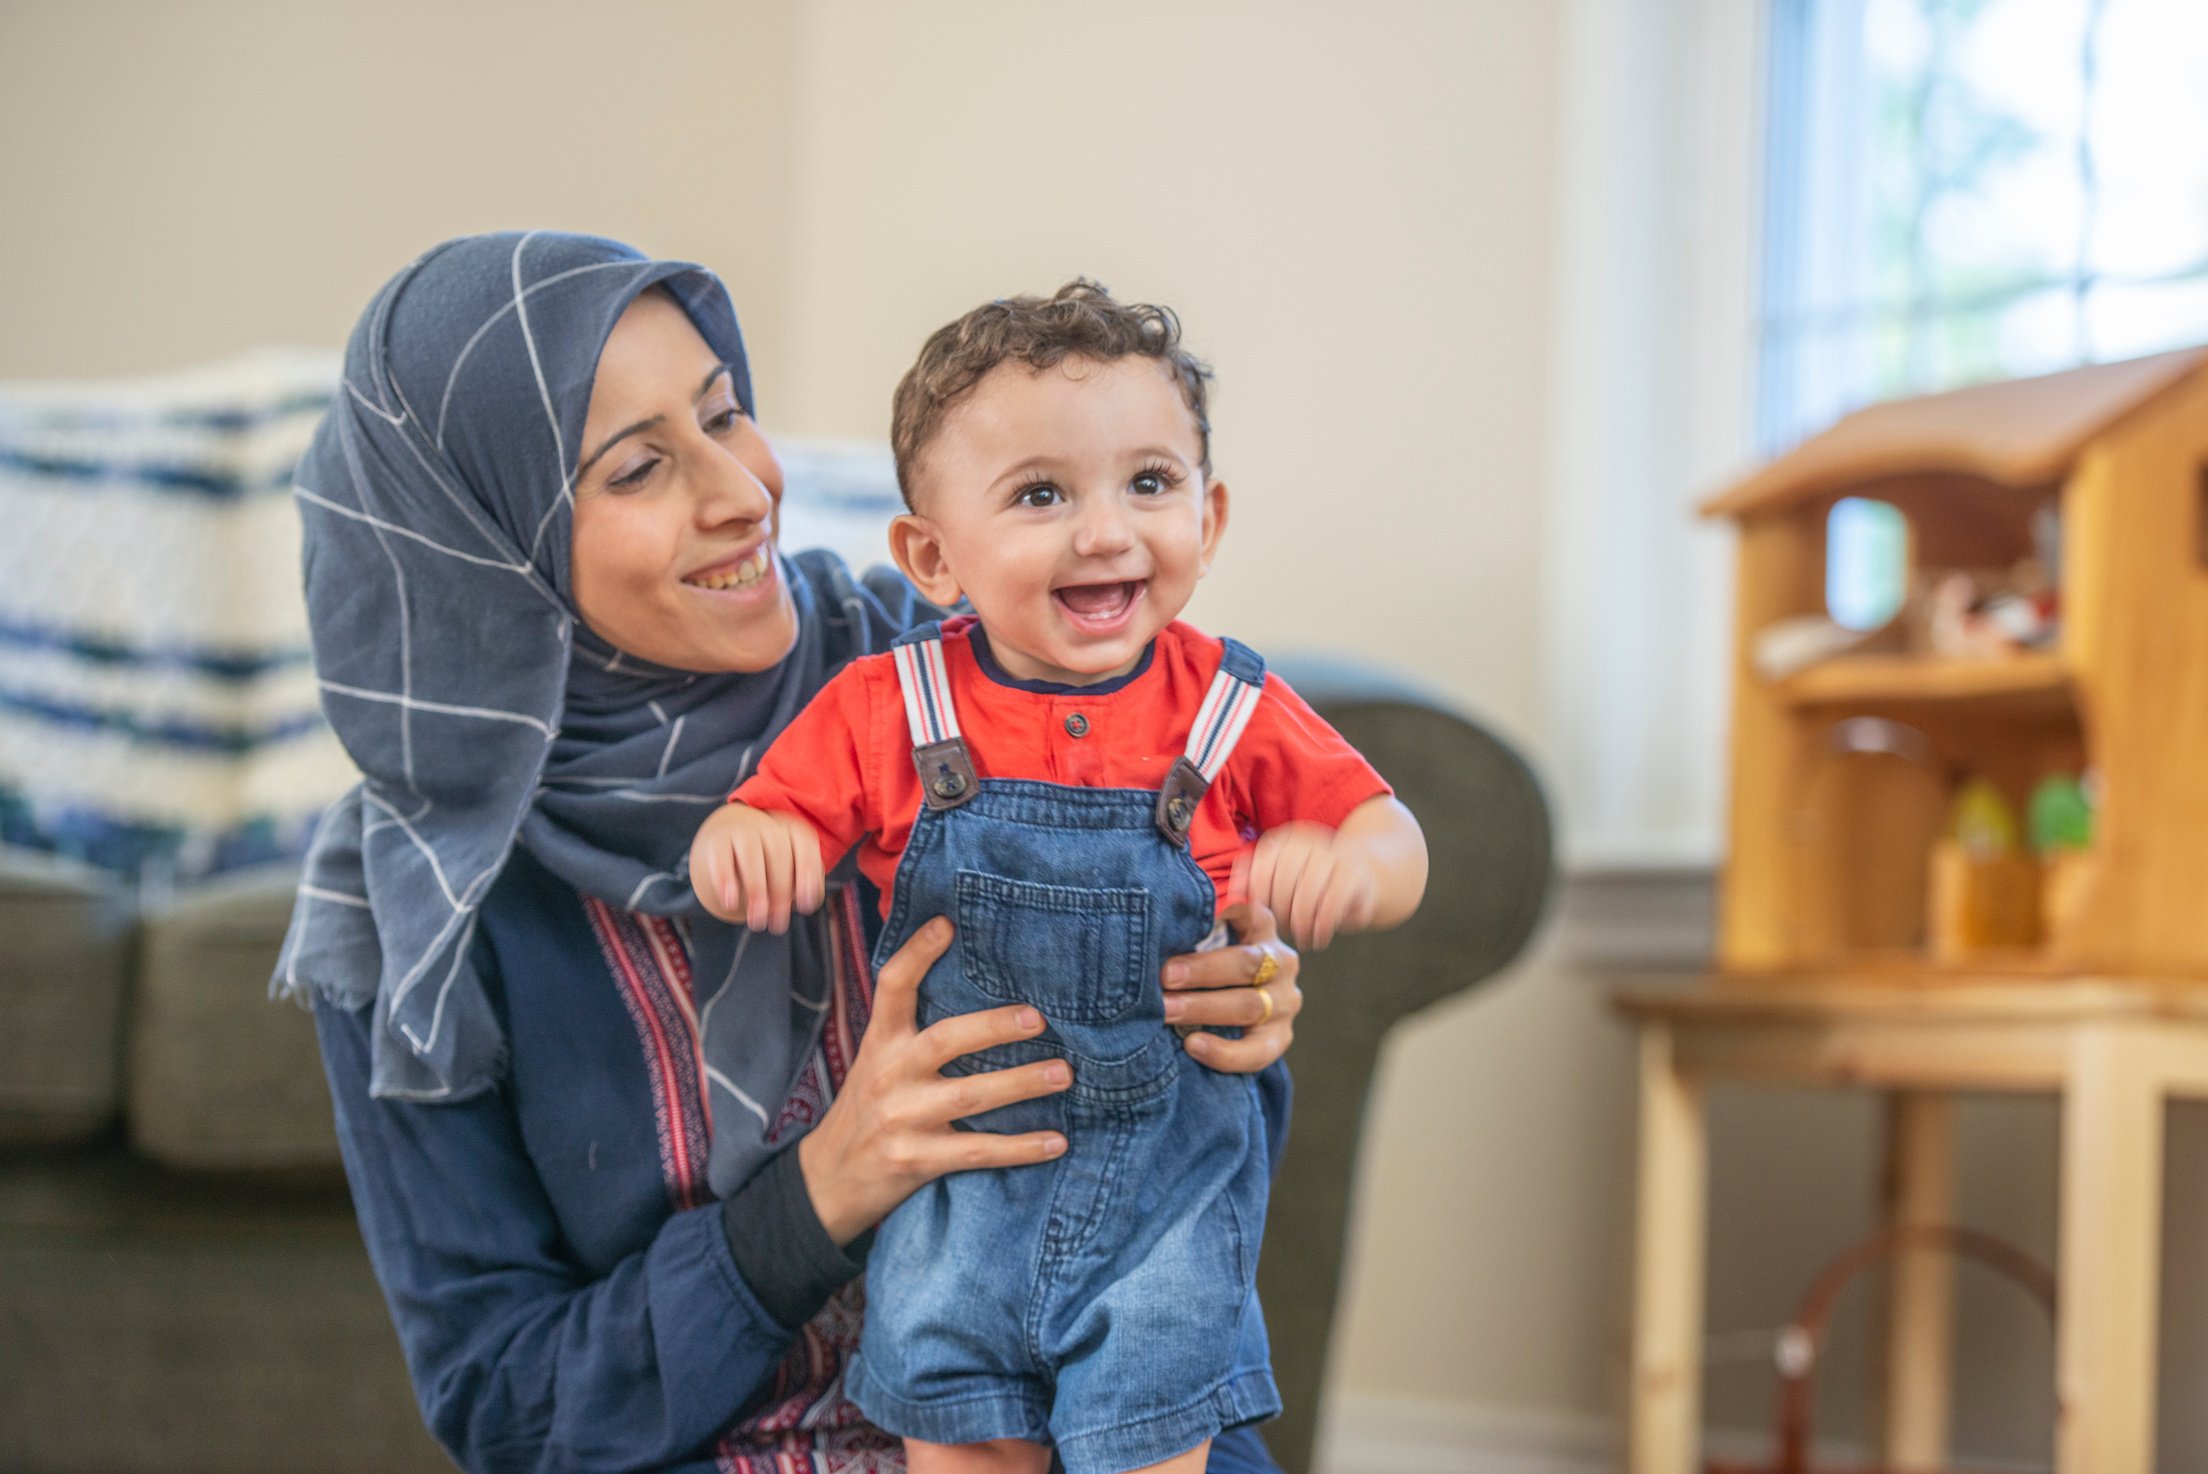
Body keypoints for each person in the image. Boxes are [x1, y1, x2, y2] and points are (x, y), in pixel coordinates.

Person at [274, 232, 1308, 1474]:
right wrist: (822, 1189)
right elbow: (513, 1407)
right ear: (490, 551)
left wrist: (1229, 1007)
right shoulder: (422, 901)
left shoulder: (947, 679)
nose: (742, 489)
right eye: (642, 467)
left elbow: (1177, 1175)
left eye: (727, 413)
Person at [688, 283, 1429, 1474]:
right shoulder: (892, 705)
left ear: (1211, 514)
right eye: (1042, 494)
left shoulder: (1228, 706)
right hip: (961, 1195)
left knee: (1150, 1443)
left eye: (1150, 482)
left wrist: (1350, 864)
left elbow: (1395, 835)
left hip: (1166, 1206)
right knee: (966, 1439)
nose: (1105, 530)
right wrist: (748, 841)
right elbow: (761, 819)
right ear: (932, 556)